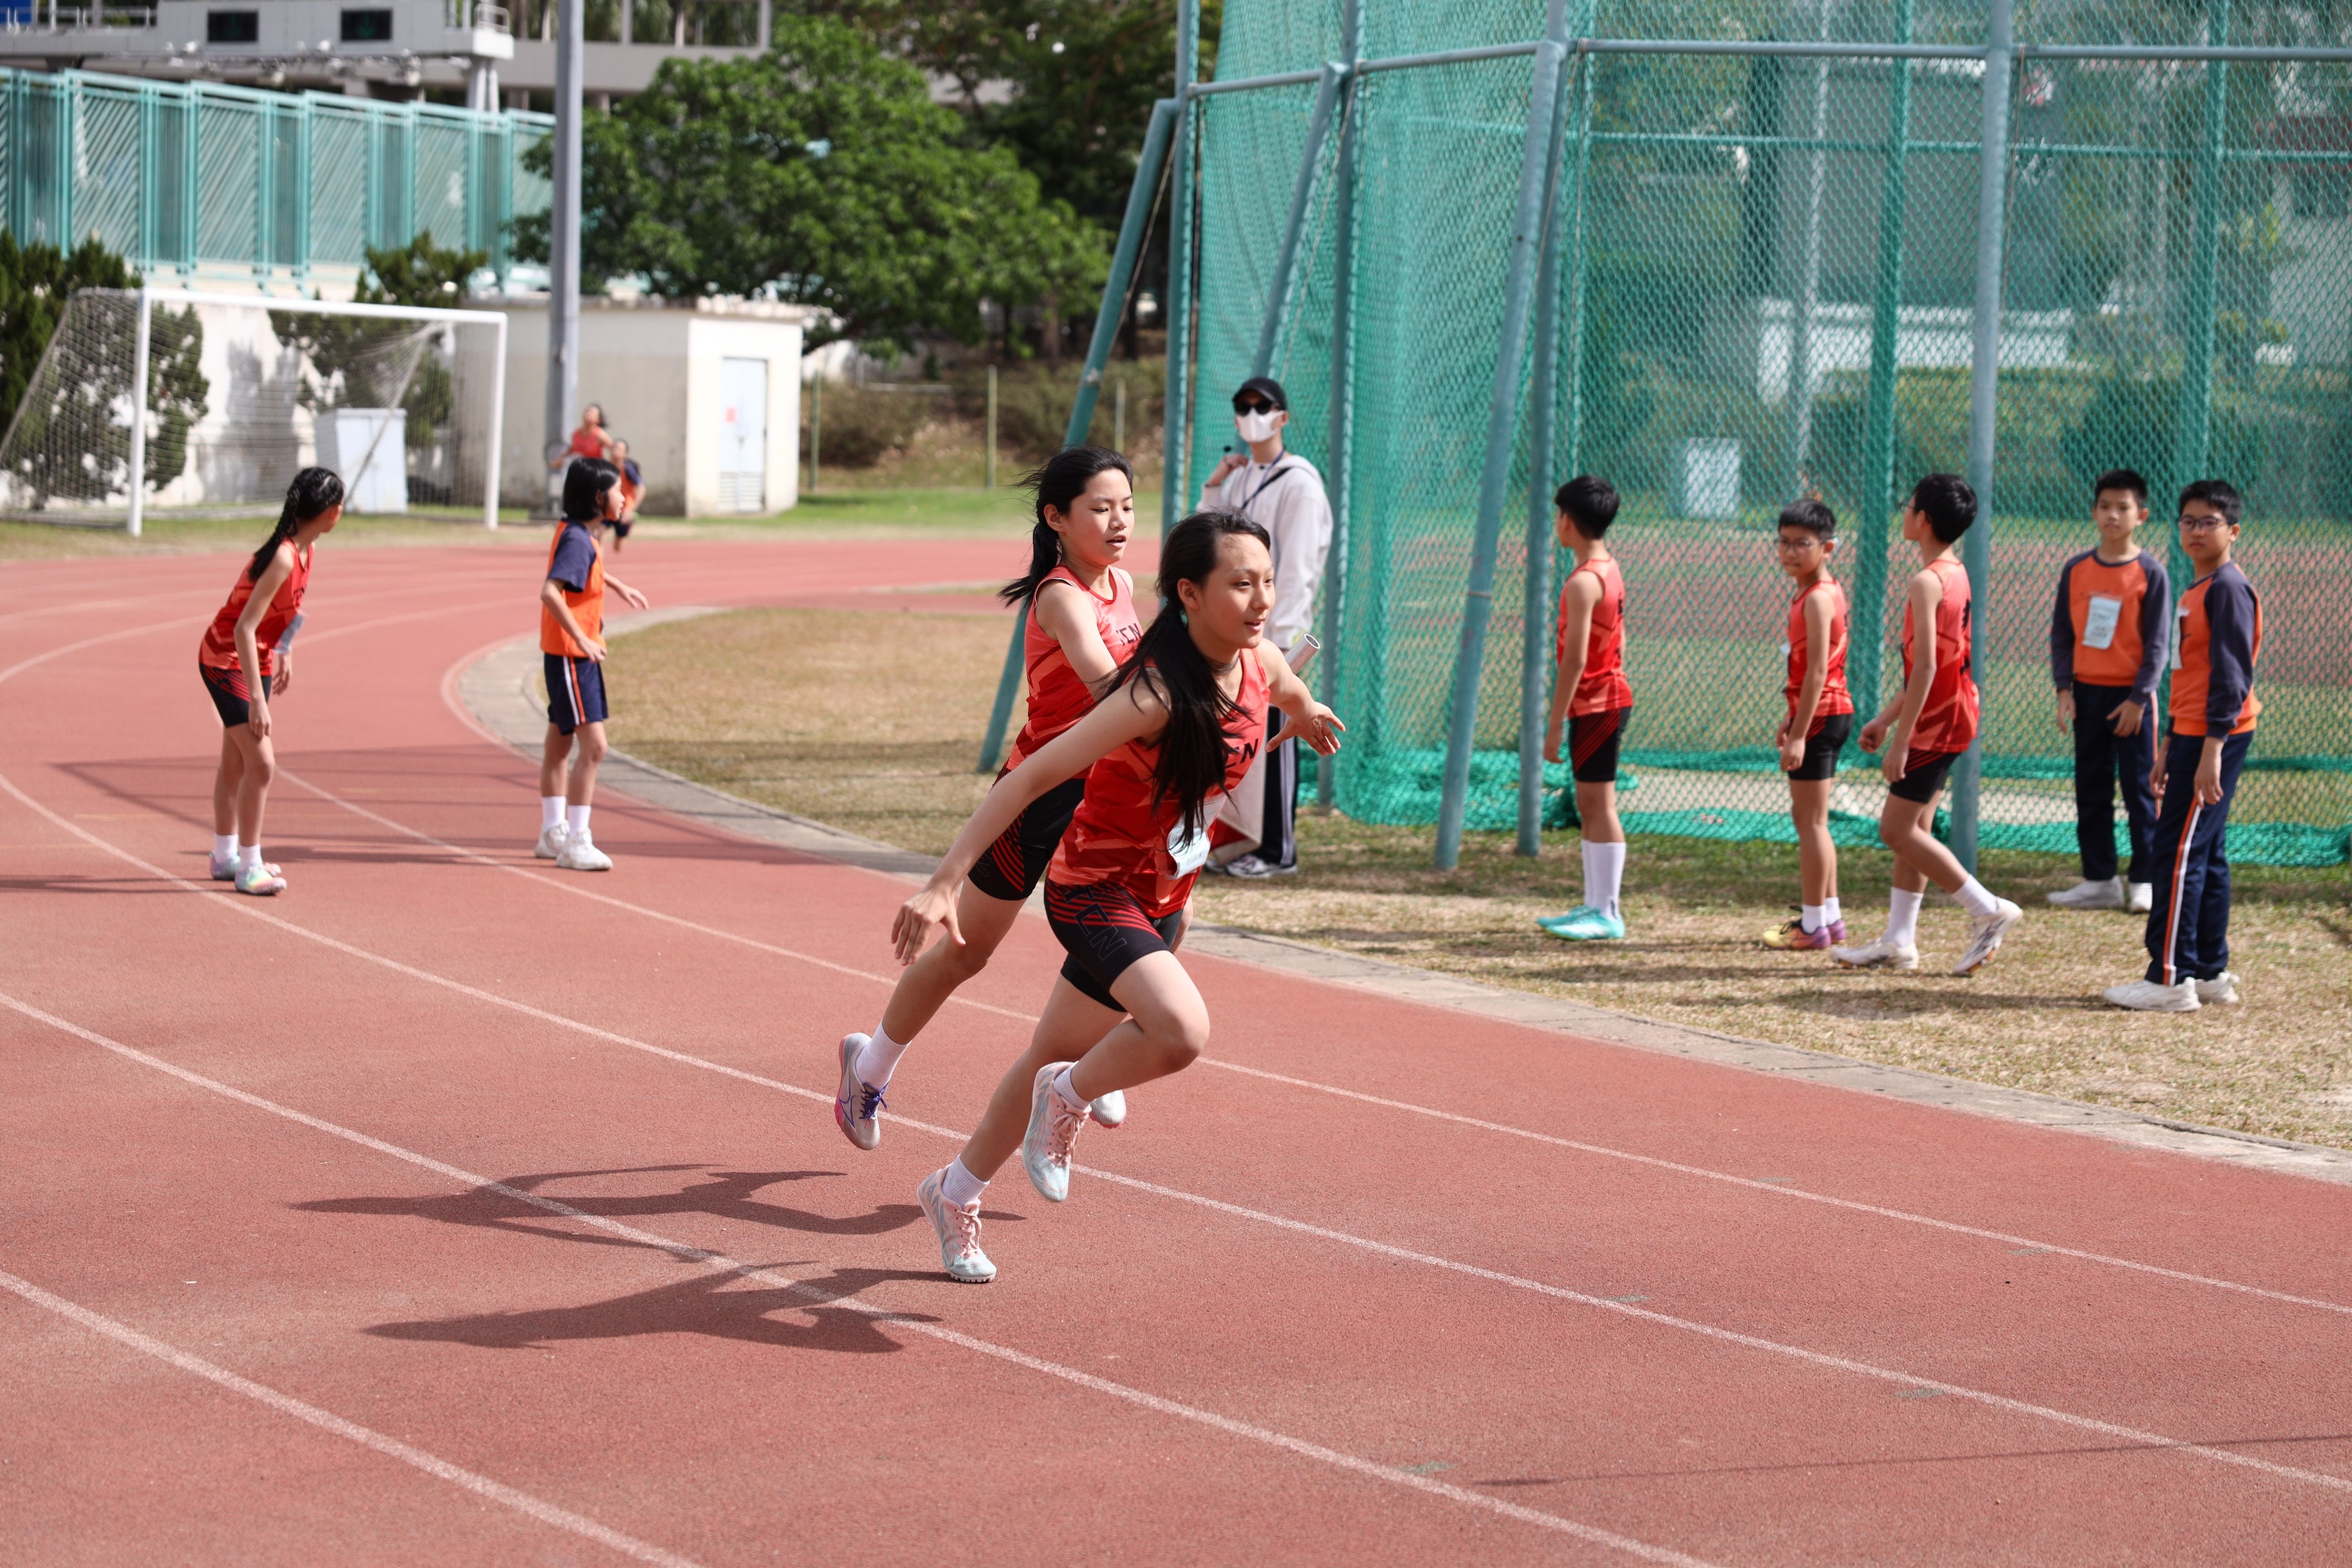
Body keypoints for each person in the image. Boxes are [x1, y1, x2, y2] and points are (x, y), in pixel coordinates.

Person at [895, 510, 1343, 1284]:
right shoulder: (1154, 695)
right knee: (1180, 1031)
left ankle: (954, 1190)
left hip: (1167, 892)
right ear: (1188, 594)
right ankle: (1067, 1098)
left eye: (1268, 581)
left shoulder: (1258, 660)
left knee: (1048, 1052)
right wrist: (943, 883)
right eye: (1241, 583)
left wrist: (1304, 712)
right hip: (1094, 889)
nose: (1262, 599)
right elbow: (1031, 778)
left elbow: (1287, 684)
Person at [834, 447, 1144, 1152]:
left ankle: (1091, 1060)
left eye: (1127, 506)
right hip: (1037, 796)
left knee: (1123, 924)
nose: (1119, 521)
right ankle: (868, 1065)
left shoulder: (1122, 582)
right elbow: (1109, 688)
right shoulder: (1061, 596)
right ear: (1056, 517)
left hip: (1105, 794)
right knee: (964, 953)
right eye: (1101, 508)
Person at [1833, 475, 2023, 976]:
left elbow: (1926, 669)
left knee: (1895, 829)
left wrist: (1901, 740)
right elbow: (1933, 664)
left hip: (1938, 720)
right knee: (1915, 829)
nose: (1904, 512)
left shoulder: (1926, 581)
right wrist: (1885, 718)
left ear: (1924, 519)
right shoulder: (1955, 572)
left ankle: (1988, 908)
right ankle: (1899, 940)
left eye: (1909, 505)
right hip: (1954, 712)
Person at [2104, 480, 2262, 1012]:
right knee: (2207, 852)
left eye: (2209, 522)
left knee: (2179, 852)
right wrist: (2171, 741)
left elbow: (2232, 679)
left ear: (2233, 531)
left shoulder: (2227, 589)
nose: (2196, 531)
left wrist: (2212, 748)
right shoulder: (2199, 588)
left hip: (2215, 736)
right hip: (2193, 734)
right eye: (2188, 521)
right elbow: (2191, 675)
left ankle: (2169, 979)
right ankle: (2208, 970)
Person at [1195, 374, 1331, 878]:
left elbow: (1297, 570)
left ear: (1282, 416)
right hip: (1239, 634)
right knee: (1242, 739)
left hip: (1275, 635)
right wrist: (1214, 486)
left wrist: (1283, 642)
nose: (1252, 415)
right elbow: (1207, 545)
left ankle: (1278, 850)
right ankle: (1239, 843)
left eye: (1262, 406)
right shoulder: (1239, 478)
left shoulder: (1300, 483)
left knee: (1277, 733)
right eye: (1244, 406)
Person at [198, 468, 345, 897]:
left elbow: (284, 608)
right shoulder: (283, 556)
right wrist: (258, 702)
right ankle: (249, 866)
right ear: (333, 513)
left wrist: (285, 648)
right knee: (262, 764)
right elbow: (244, 627)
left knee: (235, 763)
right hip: (225, 659)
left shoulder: (306, 549)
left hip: (255, 657)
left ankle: (224, 856)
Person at [2047, 468, 2169, 914]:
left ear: (2142, 515)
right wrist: (2064, 689)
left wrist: (2138, 699)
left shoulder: (2151, 572)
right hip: (2087, 694)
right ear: (2094, 512)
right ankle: (2099, 880)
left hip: (2132, 700)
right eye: (2105, 506)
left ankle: (2145, 879)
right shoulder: (2076, 569)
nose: (2113, 515)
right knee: (2091, 787)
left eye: (2123, 507)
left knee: (2141, 789)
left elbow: (2157, 645)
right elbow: (2063, 633)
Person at [536, 458, 650, 872]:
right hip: (573, 656)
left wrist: (615, 584)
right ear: (599, 498)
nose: (625, 498)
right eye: (618, 491)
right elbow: (551, 591)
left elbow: (583, 570)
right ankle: (576, 841)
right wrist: (581, 638)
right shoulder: (579, 540)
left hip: (564, 654)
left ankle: (553, 832)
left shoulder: (578, 532)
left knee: (560, 745)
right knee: (595, 747)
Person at [1537, 475, 1630, 941]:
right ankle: (1595, 904)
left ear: (1568, 521)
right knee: (1590, 805)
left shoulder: (1582, 582)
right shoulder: (1608, 568)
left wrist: (1555, 723)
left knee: (1599, 806)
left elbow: (1574, 659)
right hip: (1604, 700)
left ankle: (1608, 911)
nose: (1556, 522)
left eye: (1558, 514)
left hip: (1597, 704)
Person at [1763, 498, 1852, 951]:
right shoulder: (1811, 591)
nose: (1790, 552)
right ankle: (1829, 919)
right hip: (1821, 712)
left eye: (1803, 544)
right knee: (1811, 820)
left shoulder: (1817, 597)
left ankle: (1813, 926)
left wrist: (1799, 733)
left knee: (1811, 823)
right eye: (1784, 542)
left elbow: (1818, 671)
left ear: (1828, 547)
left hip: (1823, 716)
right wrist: (1791, 715)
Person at [610, 438, 644, 552]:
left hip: (625, 509)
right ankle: (597, 562)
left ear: (625, 454)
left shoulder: (628, 469)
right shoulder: (606, 467)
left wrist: (631, 509)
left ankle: (630, 523)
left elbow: (641, 488)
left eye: (619, 449)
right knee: (599, 531)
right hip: (610, 507)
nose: (615, 450)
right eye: (614, 448)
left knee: (618, 548)